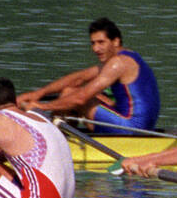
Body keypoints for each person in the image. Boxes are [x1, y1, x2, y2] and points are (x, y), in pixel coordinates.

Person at [19, 18, 160, 136]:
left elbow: (80, 98)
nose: (95, 49)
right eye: (93, 43)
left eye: (101, 42)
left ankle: (53, 138)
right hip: (141, 125)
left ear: (116, 42)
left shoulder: (118, 63)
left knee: (71, 94)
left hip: (132, 128)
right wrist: (38, 93)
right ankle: (64, 133)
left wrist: (42, 106)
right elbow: (79, 78)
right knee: (74, 90)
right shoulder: (127, 57)